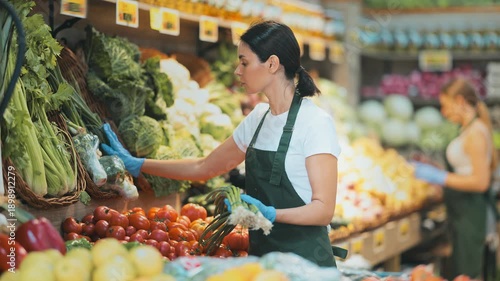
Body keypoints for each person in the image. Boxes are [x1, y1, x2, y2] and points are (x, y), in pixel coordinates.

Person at [101, 20, 345, 267]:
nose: (237, 71)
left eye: (244, 62)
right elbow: (204, 167)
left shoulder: (315, 122)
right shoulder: (258, 119)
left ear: (272, 64)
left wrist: (270, 215)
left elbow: (323, 210)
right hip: (263, 265)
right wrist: (139, 164)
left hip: (308, 267)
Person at [413, 78, 498, 279]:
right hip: (462, 213)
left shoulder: (476, 132)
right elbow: (465, 170)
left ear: (459, 101)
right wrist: (436, 171)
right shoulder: (467, 129)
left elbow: (480, 182)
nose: (443, 112)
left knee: (469, 273)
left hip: (471, 215)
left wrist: (440, 177)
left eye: (445, 105)